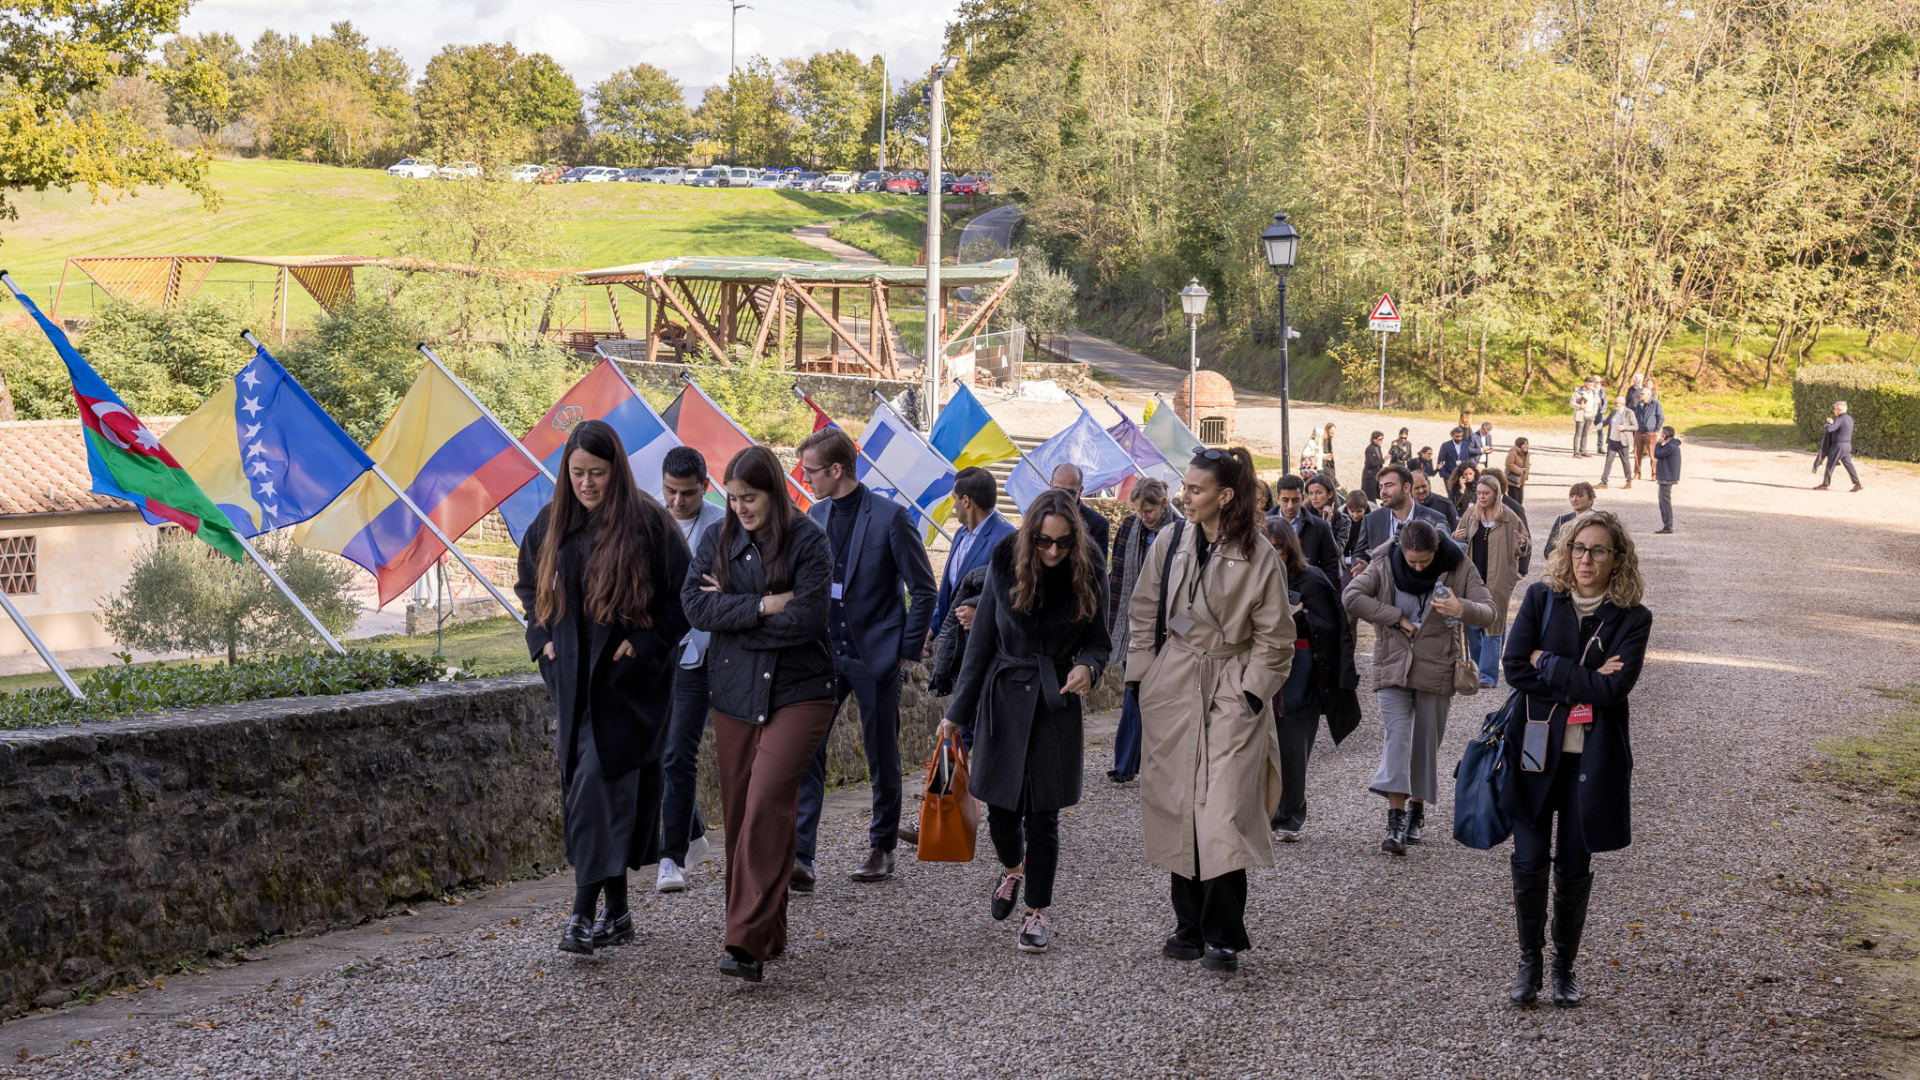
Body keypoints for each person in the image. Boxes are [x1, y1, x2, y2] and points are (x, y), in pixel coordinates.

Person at [515, 420, 692, 956]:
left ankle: (579, 914)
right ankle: (617, 912)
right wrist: (541, 637)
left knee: (599, 785)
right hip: (571, 680)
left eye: (596, 473)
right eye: (577, 474)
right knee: (590, 791)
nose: (586, 484)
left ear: (615, 470)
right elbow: (528, 585)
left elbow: (684, 597)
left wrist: (646, 642)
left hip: (628, 683)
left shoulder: (647, 523)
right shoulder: (553, 522)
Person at [1126, 447, 1292, 973]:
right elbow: (1144, 609)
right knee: (1177, 802)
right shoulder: (1170, 541)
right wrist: (1142, 677)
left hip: (1229, 685)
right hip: (1174, 683)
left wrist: (1249, 693)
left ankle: (1224, 933)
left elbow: (1275, 637)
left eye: (1195, 490)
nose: (1184, 496)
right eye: (1185, 487)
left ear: (1225, 496)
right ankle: (1188, 925)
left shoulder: (1260, 555)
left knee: (1222, 809)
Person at [682, 446, 835, 983]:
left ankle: (744, 942)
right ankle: (768, 931)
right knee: (743, 814)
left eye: (750, 498)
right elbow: (695, 606)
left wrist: (737, 620)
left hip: (801, 689)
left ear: (773, 491)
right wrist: (764, 605)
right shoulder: (717, 538)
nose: (740, 508)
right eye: (732, 498)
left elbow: (811, 618)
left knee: (768, 798)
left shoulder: (810, 539)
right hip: (734, 692)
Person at [936, 489, 1110, 954]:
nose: (1053, 551)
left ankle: (1036, 913)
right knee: (1002, 811)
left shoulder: (1090, 569)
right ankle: (1012, 869)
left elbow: (1100, 642)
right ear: (1030, 534)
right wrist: (957, 712)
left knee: (1044, 814)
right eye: (1045, 541)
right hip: (1003, 698)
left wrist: (1088, 668)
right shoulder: (1003, 558)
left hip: (1055, 702)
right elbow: (982, 642)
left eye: (1064, 543)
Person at [1499, 510, 1652, 1007]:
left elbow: (1614, 689)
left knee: (1573, 864)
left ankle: (1564, 967)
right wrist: (1577, 672)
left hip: (1591, 759)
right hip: (1535, 751)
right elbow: (1516, 668)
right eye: (1579, 548)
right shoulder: (1542, 598)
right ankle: (1530, 964)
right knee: (1527, 858)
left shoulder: (1633, 617)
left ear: (1617, 559)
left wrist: (1552, 664)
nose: (1585, 559)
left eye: (1598, 550)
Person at [793, 427, 937, 888]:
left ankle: (883, 847)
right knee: (807, 751)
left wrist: (904, 654)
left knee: (881, 754)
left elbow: (925, 590)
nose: (806, 478)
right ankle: (801, 856)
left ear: (836, 470)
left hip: (876, 657)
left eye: (811, 470)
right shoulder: (813, 515)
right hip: (822, 657)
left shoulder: (892, 518)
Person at [1342, 518, 1495, 854]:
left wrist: (1461, 607)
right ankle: (1394, 821)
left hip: (1437, 666)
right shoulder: (1385, 562)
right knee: (1397, 737)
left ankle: (1416, 811)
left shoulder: (1458, 564)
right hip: (1393, 664)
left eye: (1424, 560)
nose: (1418, 566)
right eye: (1412, 560)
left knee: (1425, 741)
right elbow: (1351, 596)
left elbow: (1489, 612)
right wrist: (1394, 616)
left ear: (1436, 549)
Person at [1261, 517, 1360, 843]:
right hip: (1261, 672)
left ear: (1289, 547)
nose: (1273, 554)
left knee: (1292, 750)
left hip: (1300, 678)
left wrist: (1297, 618)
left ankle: (1288, 816)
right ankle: (1261, 814)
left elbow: (1330, 628)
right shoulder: (1254, 577)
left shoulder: (1312, 579)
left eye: (1278, 548)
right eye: (1267, 547)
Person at [657, 446, 727, 894]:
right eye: (670, 492)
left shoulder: (724, 525)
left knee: (678, 751)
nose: (677, 502)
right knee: (660, 752)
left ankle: (671, 856)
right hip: (654, 651)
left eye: (686, 493)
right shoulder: (650, 518)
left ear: (705, 486)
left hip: (700, 654)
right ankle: (695, 833)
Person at [1107, 479, 1178, 783]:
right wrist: (1114, 625)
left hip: (1169, 627)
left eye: (1149, 510)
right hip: (1133, 623)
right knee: (1133, 689)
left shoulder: (1182, 530)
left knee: (1157, 697)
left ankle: (1151, 764)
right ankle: (1126, 764)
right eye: (1139, 511)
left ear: (1164, 503)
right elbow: (1118, 575)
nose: (1144, 516)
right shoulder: (1128, 526)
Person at [927, 467, 1014, 653]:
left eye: (954, 498)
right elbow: (949, 592)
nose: (953, 504)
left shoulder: (1008, 539)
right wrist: (932, 627)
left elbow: (1015, 596)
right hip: (953, 649)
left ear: (966, 501)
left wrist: (982, 616)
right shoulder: (960, 533)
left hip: (986, 651)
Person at [1453, 475, 1528, 690]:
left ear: (1496, 493)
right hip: (1472, 578)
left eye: (1486, 493)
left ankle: (1488, 676)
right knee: (1473, 625)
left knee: (1494, 626)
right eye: (1479, 493)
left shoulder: (1510, 517)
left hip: (1499, 580)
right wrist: (1455, 536)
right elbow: (1457, 541)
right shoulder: (1470, 514)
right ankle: (1475, 670)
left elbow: (1523, 547)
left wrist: (1523, 545)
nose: (1482, 497)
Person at [1350, 465, 1449, 574]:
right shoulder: (1371, 520)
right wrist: (1362, 567)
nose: (1383, 492)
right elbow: (1359, 554)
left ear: (1406, 487)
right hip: (1383, 588)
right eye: (1381, 487)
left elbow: (1446, 558)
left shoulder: (1435, 519)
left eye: (1389, 485)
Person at [1271, 473, 1342, 587]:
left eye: (1295, 500)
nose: (1290, 506)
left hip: (1308, 593)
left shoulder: (1319, 526)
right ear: (1277, 498)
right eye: (1285, 500)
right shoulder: (1262, 524)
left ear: (1303, 498)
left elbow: (1330, 566)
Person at [1050, 463, 1112, 562]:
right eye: (1058, 491)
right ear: (1051, 486)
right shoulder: (1037, 516)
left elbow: (1098, 571)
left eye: (1070, 493)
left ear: (1080, 490)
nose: (1063, 497)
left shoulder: (1097, 524)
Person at [1814, 400, 1861, 492]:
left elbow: (1830, 429)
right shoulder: (1849, 418)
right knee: (1848, 465)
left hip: (1838, 445)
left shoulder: (1840, 419)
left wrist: (1828, 424)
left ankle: (1825, 484)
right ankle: (1857, 483)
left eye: (1835, 409)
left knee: (1830, 464)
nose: (1834, 411)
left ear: (1839, 410)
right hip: (1847, 445)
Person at [1545, 483, 1596, 558]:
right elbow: (1548, 552)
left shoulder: (1599, 521)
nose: (1574, 499)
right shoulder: (1561, 520)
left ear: (1591, 499)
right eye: (1572, 496)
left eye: (1580, 496)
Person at [1305, 474, 1350, 556]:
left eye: (1319, 493)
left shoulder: (1343, 520)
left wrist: (1327, 524)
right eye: (1311, 493)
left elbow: (1337, 553)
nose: (1314, 497)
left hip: (1330, 566)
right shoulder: (1304, 516)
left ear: (1330, 494)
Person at [1598, 398, 1636, 488]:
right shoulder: (1613, 412)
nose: (1615, 404)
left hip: (1622, 442)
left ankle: (1628, 481)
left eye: (1617, 403)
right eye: (1614, 402)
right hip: (1612, 441)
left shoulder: (1629, 412)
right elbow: (1605, 422)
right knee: (1608, 462)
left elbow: (1635, 426)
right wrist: (1596, 428)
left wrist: (1624, 427)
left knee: (1625, 462)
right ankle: (1604, 482)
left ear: (1623, 403)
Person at [1631, 383, 1663, 480]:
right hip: (1639, 432)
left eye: (1642, 394)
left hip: (1651, 433)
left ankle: (1654, 474)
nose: (1640, 395)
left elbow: (1661, 418)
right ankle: (1637, 473)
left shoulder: (1656, 404)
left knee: (1653, 455)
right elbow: (1636, 417)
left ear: (1649, 395)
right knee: (1637, 454)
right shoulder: (1639, 405)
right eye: (1640, 394)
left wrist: (1656, 430)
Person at [1653, 427, 1680, 533]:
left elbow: (1657, 454)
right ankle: (1666, 525)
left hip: (1667, 477)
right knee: (1662, 502)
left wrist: (1659, 443)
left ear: (1666, 435)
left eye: (1662, 433)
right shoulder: (1671, 445)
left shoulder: (1671, 446)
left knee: (1665, 502)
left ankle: (1668, 526)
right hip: (1665, 477)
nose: (1660, 435)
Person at [1503, 438, 1532, 506]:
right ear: (1519, 445)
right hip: (1512, 481)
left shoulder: (1526, 454)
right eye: (1524, 444)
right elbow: (1508, 465)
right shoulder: (1513, 452)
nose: (1526, 446)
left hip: (1520, 481)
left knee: (1520, 501)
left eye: (1527, 444)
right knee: (1514, 502)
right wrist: (1520, 470)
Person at [1570, 383, 1594, 458]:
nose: (1591, 384)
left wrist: (1594, 414)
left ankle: (1583, 450)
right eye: (1589, 383)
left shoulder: (1593, 392)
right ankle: (1576, 452)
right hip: (1581, 415)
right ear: (1585, 383)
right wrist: (1579, 406)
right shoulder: (1578, 392)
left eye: (1592, 383)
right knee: (1578, 434)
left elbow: (1595, 404)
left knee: (1585, 434)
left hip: (1589, 415)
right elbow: (1571, 403)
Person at [1588, 376, 1610, 457]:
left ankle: (1600, 447)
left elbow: (1605, 402)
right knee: (1585, 429)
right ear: (1593, 382)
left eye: (1600, 382)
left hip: (1599, 412)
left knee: (1600, 430)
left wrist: (1603, 410)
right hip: (1590, 411)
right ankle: (1581, 448)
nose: (1598, 384)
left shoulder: (1602, 390)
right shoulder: (1590, 389)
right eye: (1597, 382)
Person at [1362, 431, 1386, 502]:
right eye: (1380, 439)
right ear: (1374, 439)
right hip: (1370, 477)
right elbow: (1371, 463)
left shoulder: (1378, 448)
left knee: (1377, 495)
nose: (1381, 441)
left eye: (1382, 439)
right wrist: (1383, 460)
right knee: (1370, 497)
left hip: (1376, 475)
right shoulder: (1369, 449)